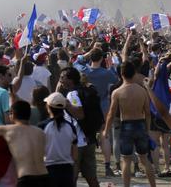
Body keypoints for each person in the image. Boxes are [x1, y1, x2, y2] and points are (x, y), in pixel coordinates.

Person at [102, 61, 156, 187]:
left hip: (126, 125)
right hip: (141, 124)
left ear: (121, 74)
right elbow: (148, 113)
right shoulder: (142, 91)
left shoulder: (117, 92)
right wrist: (147, 129)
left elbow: (111, 113)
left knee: (126, 160)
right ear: (134, 74)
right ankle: (153, 185)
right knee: (144, 158)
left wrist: (106, 130)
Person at [82, 46, 119, 177]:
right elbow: (116, 79)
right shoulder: (107, 73)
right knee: (105, 135)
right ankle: (107, 166)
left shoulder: (84, 71)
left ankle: (85, 164)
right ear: (102, 59)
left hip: (87, 106)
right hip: (103, 105)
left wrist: (87, 54)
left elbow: (75, 62)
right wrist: (111, 66)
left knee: (86, 134)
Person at [39, 92, 77, 187]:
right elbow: (75, 154)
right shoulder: (71, 127)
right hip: (67, 170)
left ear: (48, 107)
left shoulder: (42, 126)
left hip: (48, 169)